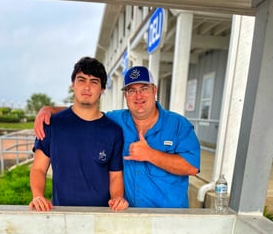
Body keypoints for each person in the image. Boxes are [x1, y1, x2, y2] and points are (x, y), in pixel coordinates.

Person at [34, 65, 200, 208]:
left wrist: (151, 155)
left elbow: (191, 167)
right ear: (125, 95)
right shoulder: (116, 121)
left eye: (144, 89)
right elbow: (86, 113)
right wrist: (49, 110)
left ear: (154, 90)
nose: (138, 96)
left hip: (169, 218)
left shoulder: (179, 125)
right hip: (126, 214)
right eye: (132, 90)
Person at [29, 57, 128, 212]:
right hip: (63, 215)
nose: (87, 87)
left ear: (102, 89)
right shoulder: (52, 125)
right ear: (72, 85)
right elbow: (38, 169)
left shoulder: (113, 131)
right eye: (81, 80)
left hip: (101, 217)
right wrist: (38, 195)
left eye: (94, 82)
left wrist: (117, 198)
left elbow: (115, 176)